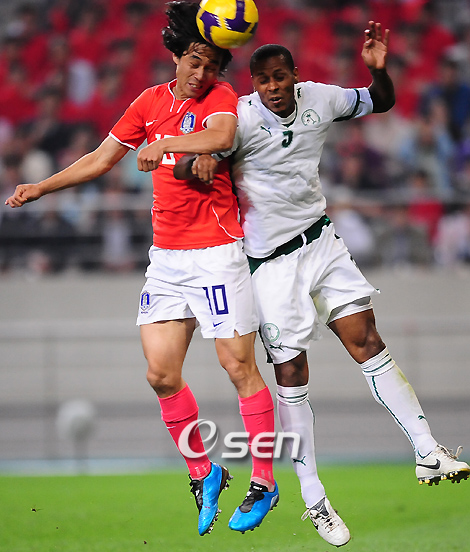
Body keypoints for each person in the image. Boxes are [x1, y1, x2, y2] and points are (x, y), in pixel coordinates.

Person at [175, 21, 470, 547]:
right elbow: (192, 165)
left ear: (295, 75)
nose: (273, 87)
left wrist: (379, 70)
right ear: (254, 84)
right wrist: (198, 158)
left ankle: (428, 450)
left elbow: (380, 101)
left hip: (321, 242)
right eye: (263, 80)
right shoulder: (239, 118)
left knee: (369, 342)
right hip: (271, 265)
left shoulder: (321, 98)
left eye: (280, 76)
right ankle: (314, 499)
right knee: (292, 374)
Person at [4, 1, 279, 537]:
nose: (201, 74)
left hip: (216, 253)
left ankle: (264, 481)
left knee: (237, 365)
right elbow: (100, 159)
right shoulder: (149, 101)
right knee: (160, 375)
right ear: (177, 56)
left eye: (211, 66)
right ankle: (205, 473)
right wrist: (40, 187)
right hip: (167, 260)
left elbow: (222, 137)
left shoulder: (220, 98)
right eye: (194, 62)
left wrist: (166, 143)